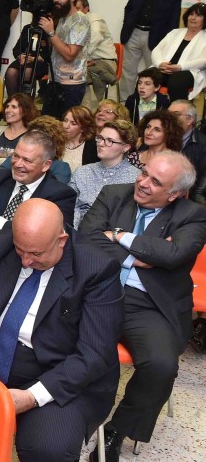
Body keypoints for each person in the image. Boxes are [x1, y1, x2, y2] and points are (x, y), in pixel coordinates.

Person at [0, 199, 123, 462]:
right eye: (20, 250)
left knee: (49, 449)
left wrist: (32, 396)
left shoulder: (96, 268)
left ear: (62, 240)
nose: (25, 261)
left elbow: (94, 353)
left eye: (36, 254)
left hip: (58, 370)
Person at [79, 153, 205, 461]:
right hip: (96, 293)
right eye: (144, 173)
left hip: (146, 304)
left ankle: (116, 431)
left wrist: (118, 235)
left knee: (161, 366)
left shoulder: (193, 214)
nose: (143, 183)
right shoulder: (114, 194)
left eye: (155, 182)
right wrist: (137, 257)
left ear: (175, 194)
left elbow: (172, 254)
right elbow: (86, 239)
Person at [0, 130, 78, 227]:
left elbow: (51, 235)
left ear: (46, 165)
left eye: (27, 160)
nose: (17, 164)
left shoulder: (60, 196)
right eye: (16, 156)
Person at [119, 0, 182, 99]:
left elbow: (175, 17)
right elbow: (129, 9)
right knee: (128, 71)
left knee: (153, 73)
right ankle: (126, 103)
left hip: (157, 36)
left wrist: (169, 40)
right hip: (134, 33)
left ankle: (149, 103)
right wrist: (126, 26)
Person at [69, 119, 139, 228]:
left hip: (112, 233)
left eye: (110, 141)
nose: (101, 144)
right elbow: (69, 205)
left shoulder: (135, 178)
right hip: (77, 230)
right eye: (100, 138)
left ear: (126, 147)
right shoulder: (82, 172)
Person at [39, 0, 90, 118]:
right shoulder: (62, 18)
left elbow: (69, 55)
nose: (56, 0)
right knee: (47, 124)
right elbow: (57, 48)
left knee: (66, 125)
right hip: (55, 81)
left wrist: (51, 33)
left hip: (71, 84)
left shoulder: (80, 21)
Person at [149, 1, 206, 101]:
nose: (193, 18)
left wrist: (180, 67)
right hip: (166, 68)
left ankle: (177, 110)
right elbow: (157, 50)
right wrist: (160, 63)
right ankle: (146, 109)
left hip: (189, 71)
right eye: (191, 14)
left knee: (176, 81)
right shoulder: (175, 32)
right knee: (146, 77)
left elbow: (203, 61)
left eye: (198, 15)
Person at [78, 0, 118, 103]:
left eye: (78, 9)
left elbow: (96, 37)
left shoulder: (95, 20)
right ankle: (83, 109)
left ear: (86, 9)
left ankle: (86, 109)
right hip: (87, 61)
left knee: (80, 74)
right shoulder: (76, 23)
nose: (76, 12)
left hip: (105, 61)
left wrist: (83, 59)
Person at [0, 93, 36, 168]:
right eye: (7, 106)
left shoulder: (31, 136)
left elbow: (24, 162)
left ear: (25, 111)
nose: (8, 110)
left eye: (14, 107)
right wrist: (9, 161)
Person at [168, 99, 206, 203]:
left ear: (189, 120)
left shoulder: (203, 145)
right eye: (168, 114)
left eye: (175, 114)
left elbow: (198, 189)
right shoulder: (159, 137)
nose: (169, 118)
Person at [61, 105, 97, 171]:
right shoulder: (56, 141)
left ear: (83, 128)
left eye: (73, 123)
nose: (66, 126)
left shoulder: (93, 147)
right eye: (65, 121)